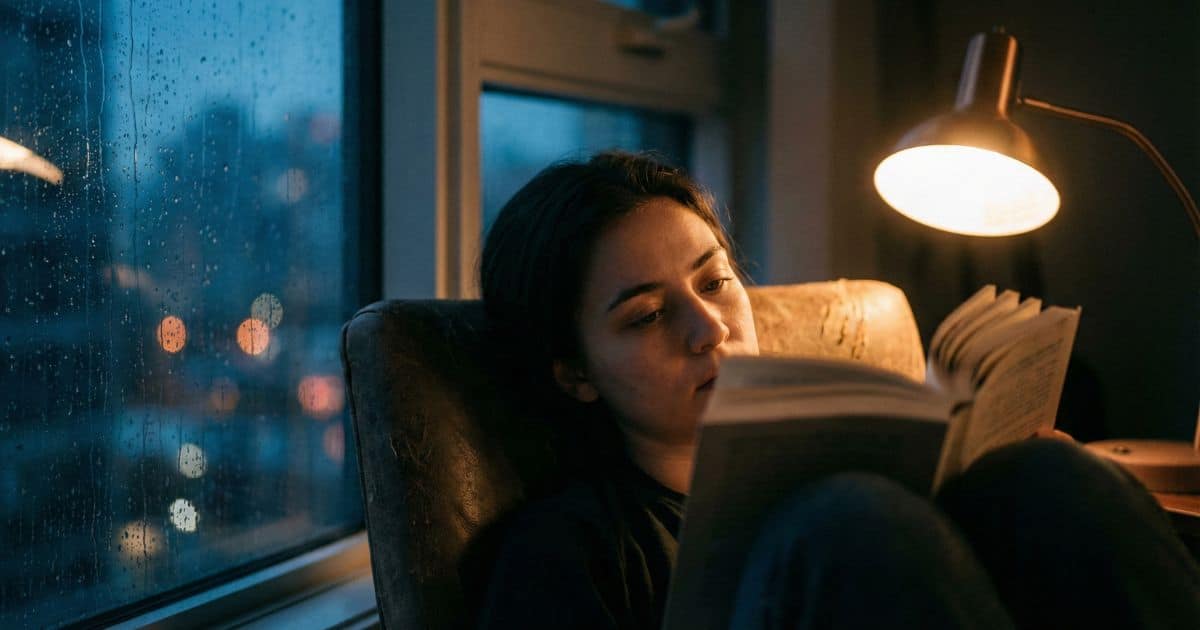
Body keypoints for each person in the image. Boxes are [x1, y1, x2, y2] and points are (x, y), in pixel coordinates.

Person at [475, 151, 1200, 629]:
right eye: (647, 316)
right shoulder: (572, 547)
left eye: (715, 281)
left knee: (1043, 473)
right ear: (575, 372)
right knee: (849, 516)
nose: (709, 328)